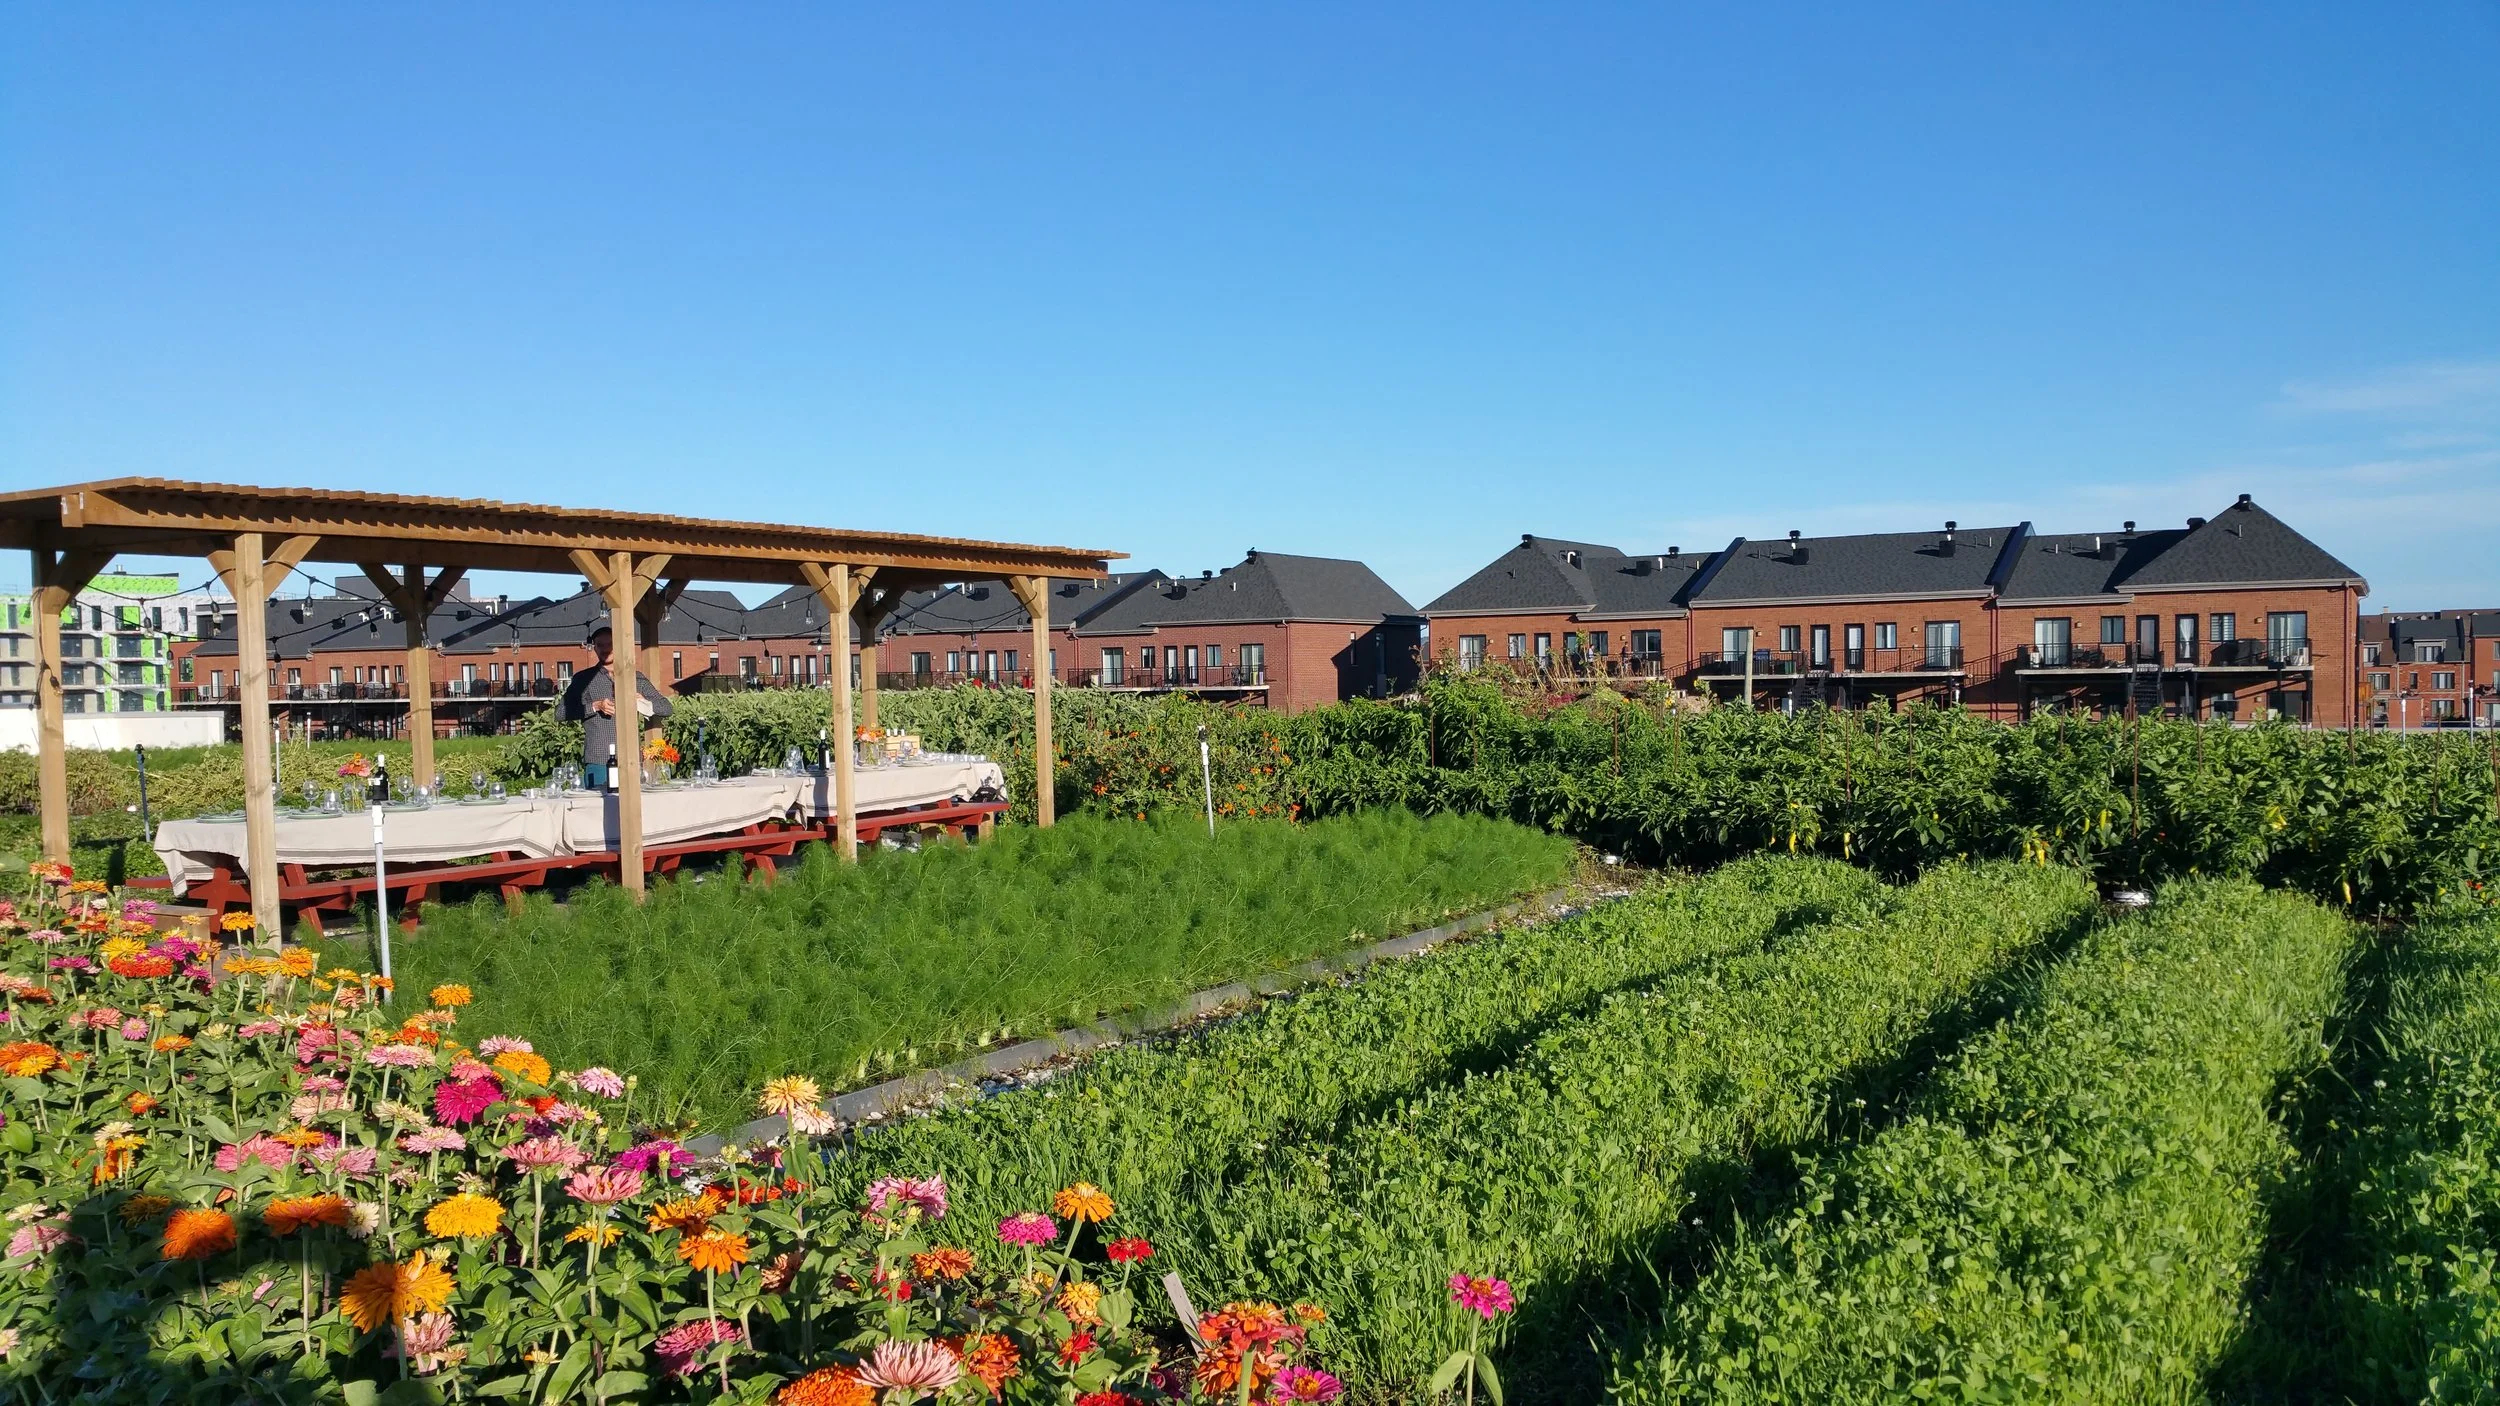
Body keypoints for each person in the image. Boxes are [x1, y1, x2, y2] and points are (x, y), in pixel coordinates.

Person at [557, 626, 674, 786]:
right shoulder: (583, 679)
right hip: (599, 761)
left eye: (609, 645)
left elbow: (667, 708)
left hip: (632, 761)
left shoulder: (636, 678)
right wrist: (594, 706)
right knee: (597, 809)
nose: (605, 649)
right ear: (595, 648)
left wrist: (643, 702)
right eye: (600, 645)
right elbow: (560, 713)